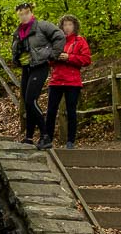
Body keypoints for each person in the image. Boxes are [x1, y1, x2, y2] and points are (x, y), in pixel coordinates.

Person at [11, 2, 65, 145]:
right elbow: (16, 49)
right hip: (26, 68)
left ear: (31, 12)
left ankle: (45, 135)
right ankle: (29, 137)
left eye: (26, 13)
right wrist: (16, 59)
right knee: (27, 102)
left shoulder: (42, 26)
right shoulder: (18, 32)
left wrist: (52, 55)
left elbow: (60, 36)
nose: (24, 16)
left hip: (40, 66)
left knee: (31, 100)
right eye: (21, 14)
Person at [38, 14, 92, 150]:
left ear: (75, 26)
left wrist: (69, 57)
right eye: (65, 25)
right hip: (56, 81)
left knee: (71, 112)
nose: (67, 27)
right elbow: (47, 59)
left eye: (70, 25)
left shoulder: (80, 41)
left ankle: (70, 141)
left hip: (72, 82)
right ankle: (47, 139)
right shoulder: (55, 41)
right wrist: (55, 57)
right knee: (50, 112)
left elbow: (86, 60)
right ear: (60, 27)